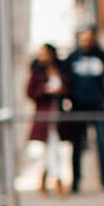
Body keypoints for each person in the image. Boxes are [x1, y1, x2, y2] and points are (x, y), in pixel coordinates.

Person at [65, 26, 104, 194]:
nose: (86, 43)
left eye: (89, 39)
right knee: (76, 145)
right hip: (78, 107)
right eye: (83, 39)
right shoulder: (73, 58)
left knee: (102, 143)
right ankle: (75, 182)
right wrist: (70, 98)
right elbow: (66, 79)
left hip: (98, 107)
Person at [26, 44, 68, 194]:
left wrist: (61, 90)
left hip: (58, 113)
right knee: (49, 149)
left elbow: (68, 87)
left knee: (55, 148)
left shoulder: (59, 70)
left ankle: (49, 177)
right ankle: (54, 179)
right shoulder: (37, 73)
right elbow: (30, 92)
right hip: (44, 115)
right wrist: (45, 90)